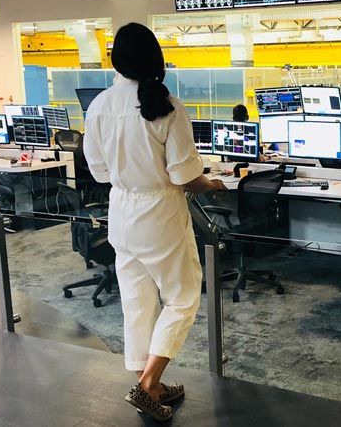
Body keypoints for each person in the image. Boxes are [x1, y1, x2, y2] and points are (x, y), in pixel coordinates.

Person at [83, 22, 227, 421]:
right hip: (159, 213)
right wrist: (213, 182)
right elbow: (186, 177)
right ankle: (149, 384)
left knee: (137, 300)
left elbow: (97, 172)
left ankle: (151, 382)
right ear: (155, 58)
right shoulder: (166, 106)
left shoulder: (98, 106)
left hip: (121, 213)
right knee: (182, 296)